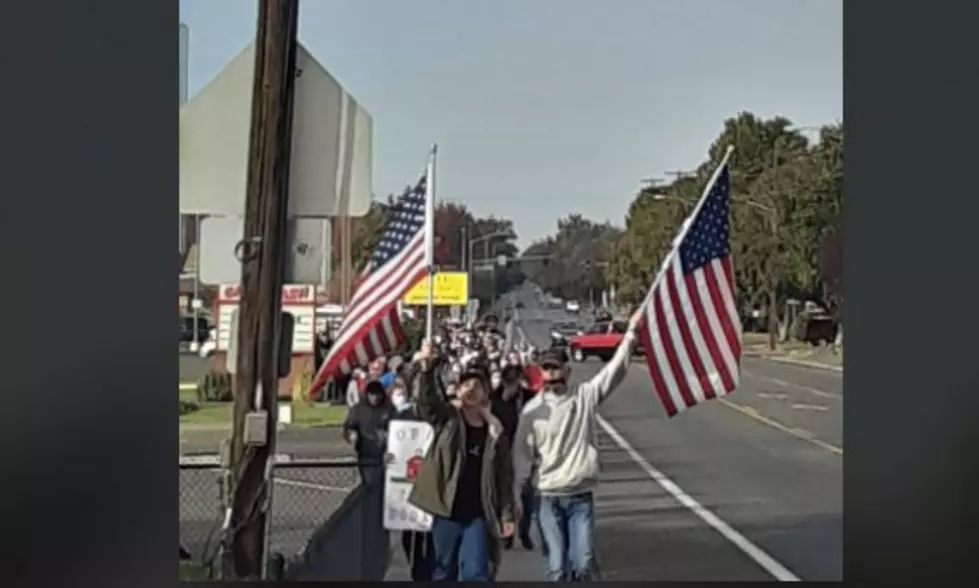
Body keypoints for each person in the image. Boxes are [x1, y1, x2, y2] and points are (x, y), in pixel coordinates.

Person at [512, 317, 640, 582]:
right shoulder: (531, 413)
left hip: (580, 496)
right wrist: (516, 499)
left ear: (567, 371)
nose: (552, 375)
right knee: (557, 568)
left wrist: (631, 334)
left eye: (556, 369)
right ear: (541, 373)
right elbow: (522, 458)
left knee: (583, 563)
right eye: (547, 370)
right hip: (547, 497)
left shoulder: (584, 396)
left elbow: (614, 371)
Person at [407, 340, 516, 582]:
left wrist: (507, 515)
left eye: (478, 385)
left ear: (486, 393)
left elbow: (504, 476)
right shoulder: (448, 420)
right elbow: (428, 404)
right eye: (466, 384)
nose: (471, 389)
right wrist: (427, 369)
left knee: (476, 571)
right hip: (447, 511)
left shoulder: (495, 432)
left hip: (478, 513)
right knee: (443, 571)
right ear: (457, 391)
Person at [387, 380, 437, 581]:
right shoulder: (402, 415)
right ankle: (417, 570)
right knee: (409, 535)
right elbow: (393, 442)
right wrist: (388, 455)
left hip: (432, 480)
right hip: (407, 483)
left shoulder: (438, 415)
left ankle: (428, 572)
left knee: (431, 533)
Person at [490, 364, 536, 551]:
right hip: (503, 453)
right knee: (507, 498)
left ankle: (524, 531)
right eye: (509, 381)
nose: (512, 385)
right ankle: (507, 534)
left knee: (527, 496)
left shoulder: (529, 399)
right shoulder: (494, 400)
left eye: (515, 381)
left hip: (526, 451)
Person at [342, 380, 394, 485]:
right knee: (370, 484)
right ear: (367, 394)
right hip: (366, 454)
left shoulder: (389, 409)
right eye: (372, 394)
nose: (375, 398)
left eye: (377, 394)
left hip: (386, 455)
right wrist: (350, 434)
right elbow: (349, 426)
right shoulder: (358, 409)